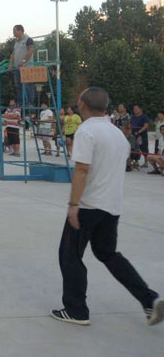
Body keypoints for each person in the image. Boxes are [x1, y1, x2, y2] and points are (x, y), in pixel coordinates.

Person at [51, 87, 163, 327]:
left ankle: (76, 310)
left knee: (70, 255)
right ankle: (149, 299)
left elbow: (82, 170)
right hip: (111, 206)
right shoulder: (117, 134)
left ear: (82, 104)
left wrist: (73, 205)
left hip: (88, 206)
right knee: (108, 254)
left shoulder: (86, 131)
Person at [7, 24, 35, 106]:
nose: (13, 33)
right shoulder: (16, 42)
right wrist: (10, 64)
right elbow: (13, 54)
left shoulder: (28, 39)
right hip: (17, 68)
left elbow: (31, 51)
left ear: (20, 31)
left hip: (27, 67)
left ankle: (30, 102)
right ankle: (20, 102)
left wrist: (23, 61)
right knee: (18, 85)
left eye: (14, 31)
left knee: (29, 85)